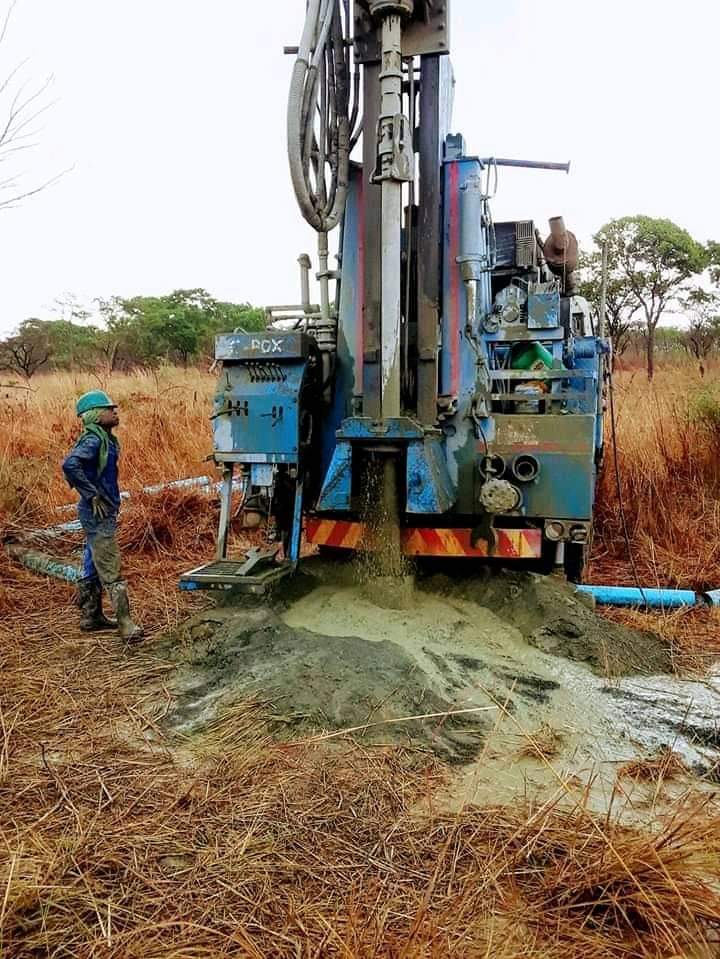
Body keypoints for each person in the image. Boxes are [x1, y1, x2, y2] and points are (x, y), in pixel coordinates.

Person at [62, 390, 144, 642]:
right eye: (109, 409)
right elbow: (69, 464)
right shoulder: (93, 441)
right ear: (96, 416)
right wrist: (91, 493)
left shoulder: (102, 439)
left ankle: (91, 616)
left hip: (99, 510)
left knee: (92, 560)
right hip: (97, 511)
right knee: (109, 565)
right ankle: (125, 623)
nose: (114, 411)